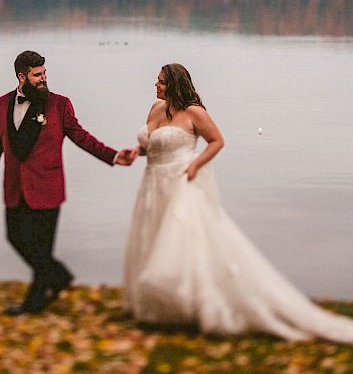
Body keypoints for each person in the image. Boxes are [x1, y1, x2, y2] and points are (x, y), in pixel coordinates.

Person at [123, 62, 353, 342]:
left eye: (160, 81)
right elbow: (153, 145)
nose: (155, 85)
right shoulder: (156, 109)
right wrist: (137, 151)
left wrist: (196, 165)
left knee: (185, 245)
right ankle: (159, 308)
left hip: (181, 181)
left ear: (174, 84)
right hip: (152, 184)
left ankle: (195, 304)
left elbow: (217, 141)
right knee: (153, 237)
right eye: (156, 81)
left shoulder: (194, 112)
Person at [0, 50, 132, 316]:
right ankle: (58, 276)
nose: (43, 79)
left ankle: (33, 303)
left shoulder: (59, 105)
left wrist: (113, 155)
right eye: (37, 75)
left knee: (41, 247)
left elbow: (81, 137)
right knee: (14, 237)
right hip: (14, 188)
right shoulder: (0, 104)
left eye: (45, 73)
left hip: (47, 188)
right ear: (21, 76)